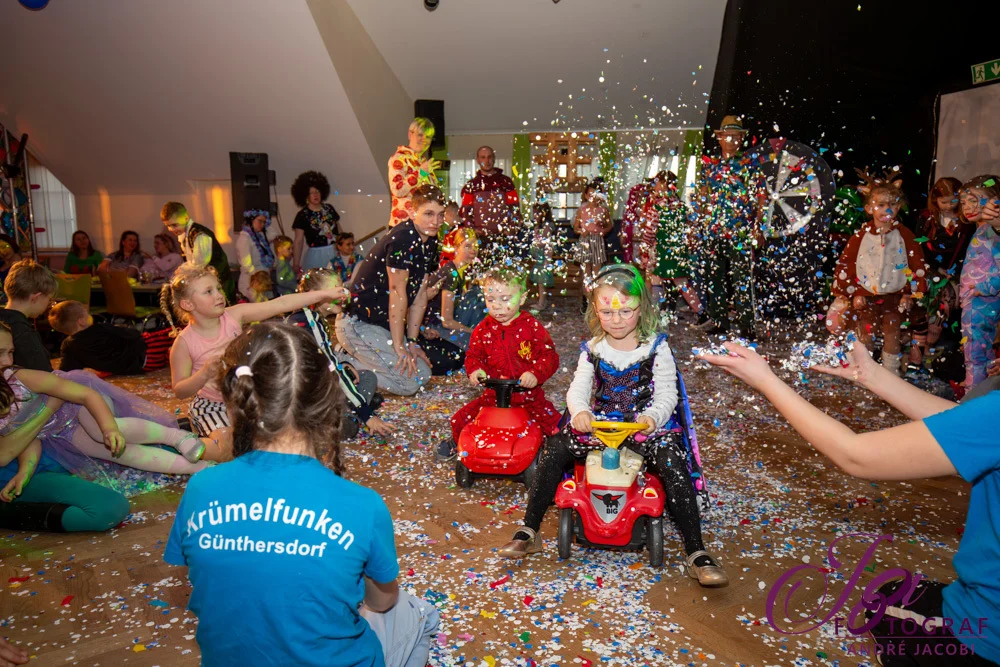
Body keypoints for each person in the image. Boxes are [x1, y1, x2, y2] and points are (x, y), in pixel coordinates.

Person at [700, 338, 1000, 664]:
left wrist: (765, 380)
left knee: (883, 604)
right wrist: (872, 375)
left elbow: (856, 455)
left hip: (984, 632)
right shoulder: (989, 418)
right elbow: (965, 424)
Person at [164, 322, 439, 667]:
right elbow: (381, 602)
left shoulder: (201, 488)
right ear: (328, 404)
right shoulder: (361, 504)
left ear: (235, 403)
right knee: (417, 612)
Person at [0, 323, 211, 481]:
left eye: (10, 353)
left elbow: (86, 395)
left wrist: (109, 428)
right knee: (122, 454)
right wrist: (24, 473)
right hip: (58, 431)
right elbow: (29, 436)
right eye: (1, 353)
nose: (8, 361)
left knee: (102, 433)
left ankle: (176, 436)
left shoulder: (21, 378)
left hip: (78, 403)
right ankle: (200, 469)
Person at [162, 264, 346, 437]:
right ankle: (187, 440)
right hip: (212, 405)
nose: (219, 295)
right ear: (188, 304)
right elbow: (180, 390)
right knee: (227, 446)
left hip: (248, 398)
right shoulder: (184, 343)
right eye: (208, 292)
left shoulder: (234, 315)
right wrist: (203, 374)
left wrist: (325, 294)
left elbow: (281, 304)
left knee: (282, 436)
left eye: (218, 288)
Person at [437, 267, 561, 462]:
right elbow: (473, 355)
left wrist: (535, 373)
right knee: (460, 419)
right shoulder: (482, 330)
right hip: (492, 397)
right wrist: (476, 370)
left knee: (557, 427)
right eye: (491, 299)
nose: (497, 306)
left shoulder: (531, 326)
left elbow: (549, 356)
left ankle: (558, 455)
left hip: (529, 397)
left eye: (505, 299)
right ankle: (457, 442)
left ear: (521, 298)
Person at [0, 359, 130, 533]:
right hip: (11, 475)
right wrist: (49, 408)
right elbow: (4, 454)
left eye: (10, 352)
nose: (7, 361)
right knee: (108, 508)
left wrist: (26, 470)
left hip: (31, 465)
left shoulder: (13, 382)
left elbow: (26, 438)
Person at [336, 185, 442, 396]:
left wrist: (412, 342)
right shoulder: (403, 238)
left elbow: (420, 296)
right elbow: (397, 293)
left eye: (440, 215)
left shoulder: (430, 240)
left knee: (422, 374)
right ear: (412, 212)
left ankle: (355, 359)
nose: (435, 221)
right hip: (358, 324)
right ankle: (341, 363)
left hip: (381, 326)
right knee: (408, 384)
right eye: (428, 214)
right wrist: (398, 345)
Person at [826, 169, 928, 376]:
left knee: (892, 332)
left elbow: (916, 263)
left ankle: (890, 373)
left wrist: (909, 293)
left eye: (892, 204)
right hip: (867, 296)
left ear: (898, 207)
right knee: (865, 331)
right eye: (880, 205)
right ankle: (865, 370)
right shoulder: (860, 236)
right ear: (869, 208)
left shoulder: (905, 235)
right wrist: (855, 292)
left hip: (895, 296)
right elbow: (847, 264)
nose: (886, 209)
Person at [291, 269, 393, 438]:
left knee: (367, 377)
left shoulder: (307, 316)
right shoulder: (309, 322)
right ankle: (347, 415)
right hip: (306, 402)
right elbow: (334, 373)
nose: (343, 295)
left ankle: (352, 407)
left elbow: (324, 363)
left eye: (342, 288)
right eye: (335, 290)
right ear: (313, 295)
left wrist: (343, 364)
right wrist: (368, 416)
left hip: (316, 389)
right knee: (349, 423)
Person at [695, 115, 766, 338]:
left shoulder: (749, 165)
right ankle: (719, 321)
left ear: (741, 139)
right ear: (720, 138)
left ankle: (747, 325)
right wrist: (700, 218)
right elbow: (702, 196)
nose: (732, 140)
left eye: (736, 137)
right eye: (728, 136)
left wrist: (759, 227)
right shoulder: (710, 166)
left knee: (742, 278)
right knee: (714, 277)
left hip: (740, 232)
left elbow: (761, 198)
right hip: (713, 231)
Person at [909, 177, 972, 369]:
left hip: (954, 274)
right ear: (935, 200)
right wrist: (933, 268)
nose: (949, 206)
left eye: (954, 201)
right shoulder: (926, 218)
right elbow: (919, 246)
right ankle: (917, 352)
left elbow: (967, 250)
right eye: (944, 202)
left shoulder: (965, 221)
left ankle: (931, 347)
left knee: (941, 310)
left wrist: (954, 272)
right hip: (929, 270)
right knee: (921, 306)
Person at [639, 171, 706, 321]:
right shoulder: (682, 207)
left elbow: (650, 232)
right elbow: (692, 226)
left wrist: (644, 248)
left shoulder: (657, 208)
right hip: (678, 251)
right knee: (680, 283)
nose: (654, 187)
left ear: (664, 185)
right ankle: (701, 312)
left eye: (656, 183)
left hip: (661, 251)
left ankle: (653, 315)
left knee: (657, 280)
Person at [958, 174, 1000, 388]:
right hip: (974, 300)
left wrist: (982, 288)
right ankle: (983, 391)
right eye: (964, 202)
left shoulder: (993, 231)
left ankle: (973, 394)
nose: (967, 207)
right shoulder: (983, 230)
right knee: (979, 350)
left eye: (973, 201)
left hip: (982, 301)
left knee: (975, 352)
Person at [423, 226, 485, 352]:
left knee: (479, 294)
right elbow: (447, 321)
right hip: (434, 326)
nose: (473, 250)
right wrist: (473, 331)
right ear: (456, 248)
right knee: (476, 344)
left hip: (445, 320)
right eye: (467, 246)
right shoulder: (452, 274)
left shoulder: (460, 270)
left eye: (475, 246)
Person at [160, 201, 236, 304]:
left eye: (174, 225)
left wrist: (182, 270)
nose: (171, 229)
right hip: (208, 284)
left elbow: (199, 265)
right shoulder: (185, 234)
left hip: (219, 284)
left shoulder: (200, 235)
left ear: (186, 218)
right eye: (168, 226)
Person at [49, 300, 147, 375]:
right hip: (141, 359)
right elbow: (133, 334)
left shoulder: (68, 346)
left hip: (124, 370)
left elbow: (67, 369)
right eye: (86, 313)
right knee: (149, 338)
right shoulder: (100, 328)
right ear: (81, 321)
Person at [459, 145, 521, 261]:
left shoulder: (506, 183)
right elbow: (465, 212)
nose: (487, 161)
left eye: (489, 157)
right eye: (483, 157)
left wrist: (511, 229)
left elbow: (515, 209)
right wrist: (472, 230)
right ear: (478, 160)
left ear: (494, 158)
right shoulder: (471, 186)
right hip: (480, 240)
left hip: (503, 239)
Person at [0, 260, 55, 372]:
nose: (48, 304)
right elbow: (43, 375)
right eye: (49, 299)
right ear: (36, 297)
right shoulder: (25, 333)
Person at [388, 117, 439, 228]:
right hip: (404, 226)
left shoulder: (424, 162)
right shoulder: (399, 158)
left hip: (424, 225)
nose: (424, 140)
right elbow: (397, 190)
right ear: (410, 135)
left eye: (428, 137)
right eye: (420, 135)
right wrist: (420, 174)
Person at [290, 172, 341, 273]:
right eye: (311, 192)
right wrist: (296, 264)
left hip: (335, 252)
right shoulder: (302, 215)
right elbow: (298, 241)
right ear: (306, 195)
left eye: (317, 191)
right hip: (316, 256)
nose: (315, 195)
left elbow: (339, 230)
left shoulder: (329, 208)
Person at [573, 181, 613, 291]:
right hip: (585, 240)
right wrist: (581, 231)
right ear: (586, 196)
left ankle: (596, 293)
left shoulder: (603, 210)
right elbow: (575, 227)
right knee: (586, 269)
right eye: (590, 195)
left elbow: (610, 225)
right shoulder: (582, 210)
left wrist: (603, 231)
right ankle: (587, 294)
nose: (593, 198)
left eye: (595, 195)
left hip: (597, 239)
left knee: (597, 269)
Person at [236, 209, 276, 301]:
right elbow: (246, 264)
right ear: (251, 220)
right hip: (252, 280)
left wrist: (266, 224)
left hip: (263, 279)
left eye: (264, 222)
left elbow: (274, 234)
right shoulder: (244, 238)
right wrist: (258, 278)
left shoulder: (260, 236)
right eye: (260, 221)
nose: (262, 224)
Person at [529, 203, 557, 313]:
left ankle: (541, 303)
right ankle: (542, 301)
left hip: (544, 256)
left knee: (542, 281)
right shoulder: (539, 226)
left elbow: (546, 242)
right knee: (539, 281)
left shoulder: (547, 226)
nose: (535, 215)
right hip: (539, 256)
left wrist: (536, 241)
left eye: (537, 213)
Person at [621, 179, 652, 264]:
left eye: (642, 196)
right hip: (632, 248)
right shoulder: (629, 212)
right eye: (635, 195)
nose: (638, 198)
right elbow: (623, 237)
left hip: (645, 248)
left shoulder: (650, 211)